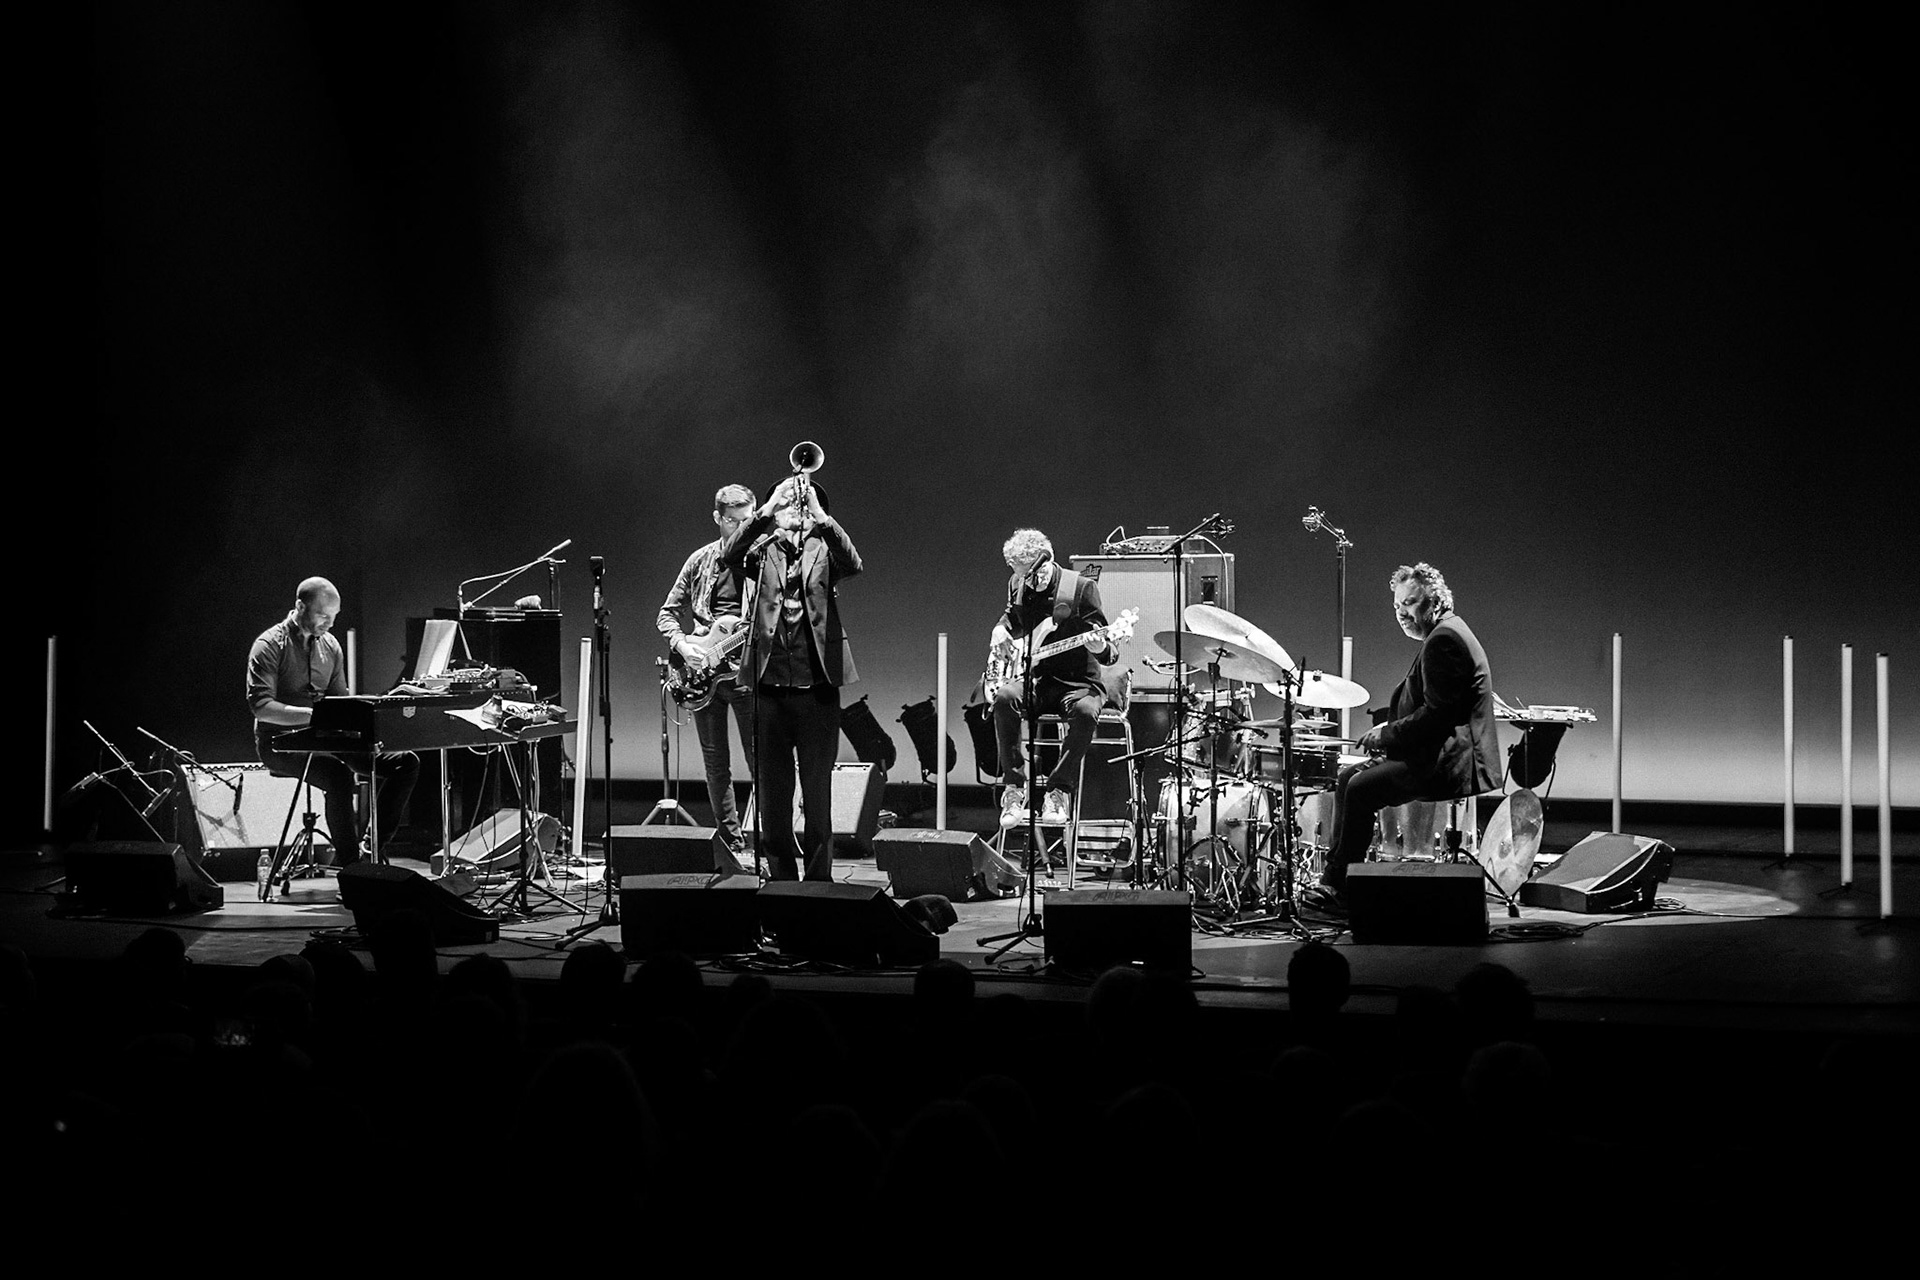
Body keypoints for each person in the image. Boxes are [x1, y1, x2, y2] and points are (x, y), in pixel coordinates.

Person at [1301, 562, 1500, 917]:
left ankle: (1342, 891)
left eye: (1409, 604)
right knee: (1348, 778)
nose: (1402, 614)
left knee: (1360, 790)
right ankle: (1335, 880)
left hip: (1446, 762)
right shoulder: (1446, 632)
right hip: (1433, 752)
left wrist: (1386, 734)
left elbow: (1438, 717)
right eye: (1397, 607)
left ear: (1435, 601)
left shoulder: (1444, 641)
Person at [720, 472, 863, 881]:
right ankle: (782, 884)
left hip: (817, 689)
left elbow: (854, 563)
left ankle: (819, 885)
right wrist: (766, 510)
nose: (794, 512)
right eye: (789, 506)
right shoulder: (763, 549)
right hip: (768, 688)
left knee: (817, 796)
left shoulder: (824, 548)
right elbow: (730, 555)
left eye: (800, 506)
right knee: (773, 799)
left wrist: (819, 515)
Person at [248, 576, 418, 866]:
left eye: (334, 617)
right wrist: (316, 716)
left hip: (327, 735)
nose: (329, 623)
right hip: (279, 743)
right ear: (300, 606)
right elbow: (262, 707)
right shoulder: (268, 645)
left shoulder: (331, 646)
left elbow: (341, 700)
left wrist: (369, 722)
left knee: (406, 762)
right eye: (323, 615)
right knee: (338, 777)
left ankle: (372, 848)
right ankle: (352, 867)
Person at [988, 529, 1123, 828]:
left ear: (1045, 561)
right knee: (1004, 698)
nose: (1026, 581)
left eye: (1030, 574)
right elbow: (1014, 616)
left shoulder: (1081, 588)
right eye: (1020, 575)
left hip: (1076, 681)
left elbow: (1108, 650)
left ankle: (1058, 789)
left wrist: (1100, 646)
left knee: (1086, 711)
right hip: (1036, 677)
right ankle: (1014, 787)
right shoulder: (1018, 583)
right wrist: (1001, 628)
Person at [657, 483, 757, 874]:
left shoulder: (763, 562)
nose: (739, 528)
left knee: (761, 763)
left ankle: (763, 839)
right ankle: (731, 841)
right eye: (732, 521)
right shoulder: (700, 560)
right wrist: (684, 646)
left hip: (747, 673)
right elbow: (666, 613)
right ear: (718, 518)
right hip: (702, 673)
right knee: (716, 764)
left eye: (747, 520)